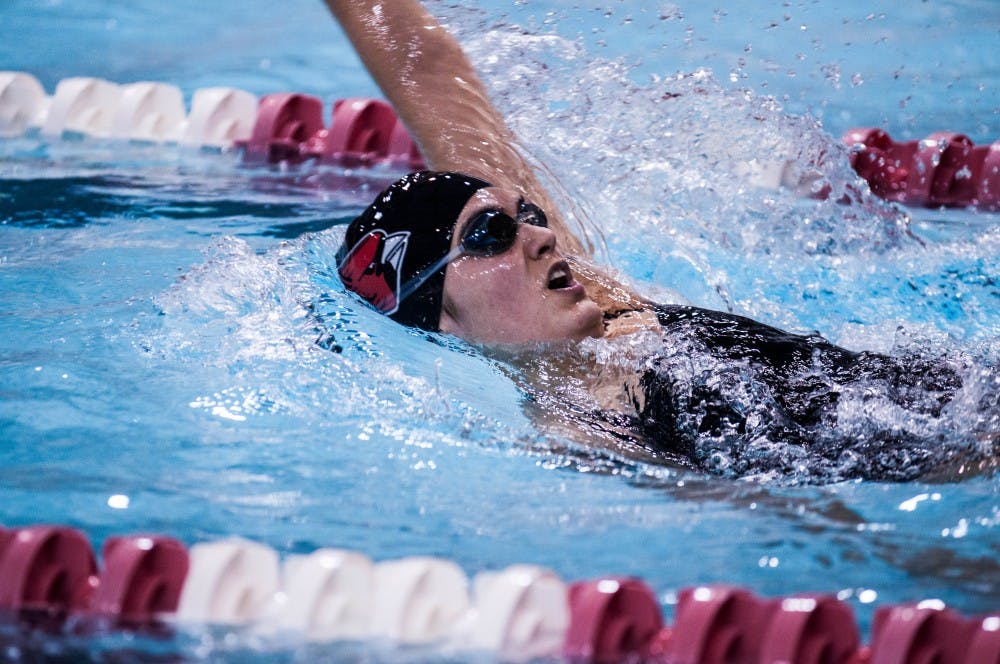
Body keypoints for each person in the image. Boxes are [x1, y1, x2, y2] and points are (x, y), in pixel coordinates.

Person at [325, 0, 993, 481]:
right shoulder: (587, 433)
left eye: (528, 214)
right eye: (493, 232)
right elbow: (810, 533)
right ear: (437, 313)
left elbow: (429, 68)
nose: (537, 234)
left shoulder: (609, 304)